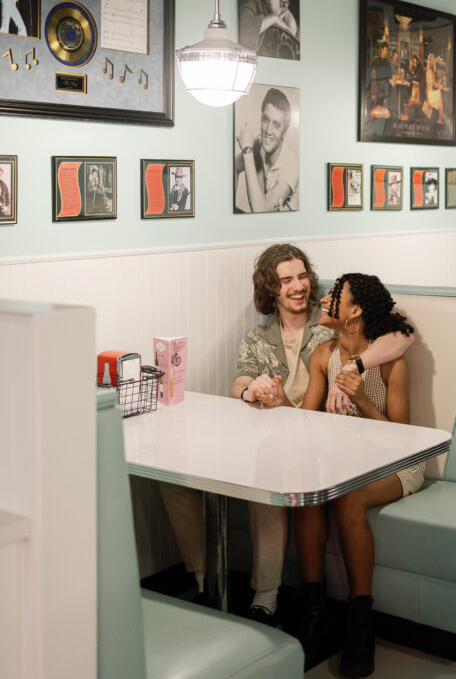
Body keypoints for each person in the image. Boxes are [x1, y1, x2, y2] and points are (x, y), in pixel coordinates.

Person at [160, 244, 414, 619]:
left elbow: (401, 336)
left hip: (317, 442)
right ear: (270, 289)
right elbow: (240, 387)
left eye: (302, 277)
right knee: (174, 475)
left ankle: (268, 597)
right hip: (277, 432)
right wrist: (254, 392)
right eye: (286, 280)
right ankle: (204, 580)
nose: (299, 287)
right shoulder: (258, 339)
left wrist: (356, 370)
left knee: (267, 480)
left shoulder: (329, 323)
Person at [291, 273, 423, 679]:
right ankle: (315, 615)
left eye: (335, 295)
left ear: (355, 311)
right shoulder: (322, 356)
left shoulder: (391, 364)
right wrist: (281, 404)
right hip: (343, 460)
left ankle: (360, 621)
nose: (324, 297)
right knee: (308, 494)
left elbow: (403, 439)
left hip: (396, 463)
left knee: (347, 498)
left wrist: (360, 397)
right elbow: (306, 422)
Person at [235, 87, 298, 213]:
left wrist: (247, 149)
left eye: (276, 125)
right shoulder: (259, 144)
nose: (268, 131)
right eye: (265, 120)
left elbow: (260, 210)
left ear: (284, 132)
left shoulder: (291, 164)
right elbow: (234, 166)